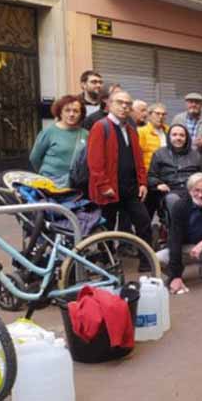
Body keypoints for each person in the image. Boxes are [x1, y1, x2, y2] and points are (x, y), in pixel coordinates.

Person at [86, 90, 152, 270]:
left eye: (127, 104)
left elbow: (138, 159)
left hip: (130, 188)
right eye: (120, 102)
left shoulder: (131, 129)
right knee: (106, 228)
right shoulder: (101, 127)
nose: (124, 106)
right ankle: (107, 263)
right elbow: (94, 161)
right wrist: (103, 185)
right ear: (109, 104)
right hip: (109, 189)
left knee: (144, 222)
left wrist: (143, 183)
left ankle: (146, 262)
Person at [29, 95, 88, 187]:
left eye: (76, 111)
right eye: (67, 110)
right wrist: (47, 173)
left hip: (76, 184)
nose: (71, 114)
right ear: (60, 113)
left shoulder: (86, 134)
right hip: (51, 184)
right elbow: (35, 158)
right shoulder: (49, 131)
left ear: (81, 114)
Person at [147, 124, 202, 216]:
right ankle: (178, 229)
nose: (178, 138)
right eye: (174, 135)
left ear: (186, 138)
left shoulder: (196, 155)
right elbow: (151, 176)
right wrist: (158, 184)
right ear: (169, 137)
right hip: (170, 190)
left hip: (192, 190)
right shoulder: (159, 154)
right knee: (173, 200)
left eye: (182, 135)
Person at [172, 92, 202, 171]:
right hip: (180, 159)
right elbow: (170, 138)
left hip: (201, 161)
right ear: (186, 104)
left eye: (197, 102)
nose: (193, 105)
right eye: (191, 102)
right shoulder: (178, 119)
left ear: (201, 105)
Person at [137, 103, 168, 172]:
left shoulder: (169, 131)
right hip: (150, 172)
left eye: (163, 114)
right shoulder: (141, 132)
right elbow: (137, 157)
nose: (160, 116)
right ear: (149, 115)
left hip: (167, 172)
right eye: (157, 114)